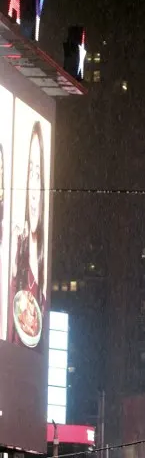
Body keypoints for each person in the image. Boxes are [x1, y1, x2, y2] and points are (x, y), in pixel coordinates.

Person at [9, 119, 46, 349]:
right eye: (30, 173)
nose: (33, 191)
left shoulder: (43, 271)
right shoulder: (16, 253)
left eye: (38, 175)